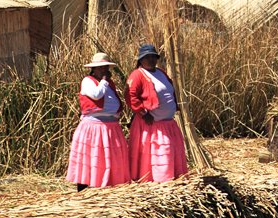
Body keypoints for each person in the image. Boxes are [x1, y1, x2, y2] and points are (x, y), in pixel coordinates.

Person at [126, 44, 189, 183]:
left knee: (168, 152)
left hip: (167, 123)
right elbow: (131, 96)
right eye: (147, 57)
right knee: (158, 154)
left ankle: (172, 177)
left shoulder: (161, 72)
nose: (150, 60)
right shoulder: (137, 75)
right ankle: (156, 180)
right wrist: (143, 113)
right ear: (140, 60)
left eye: (153, 57)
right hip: (151, 125)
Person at [67, 53, 130, 191]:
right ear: (93, 69)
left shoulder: (109, 84)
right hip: (94, 127)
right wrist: (105, 81)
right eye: (100, 67)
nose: (103, 70)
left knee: (109, 160)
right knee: (90, 159)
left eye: (105, 67)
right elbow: (96, 95)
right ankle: (84, 191)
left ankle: (109, 188)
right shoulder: (88, 81)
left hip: (110, 127)